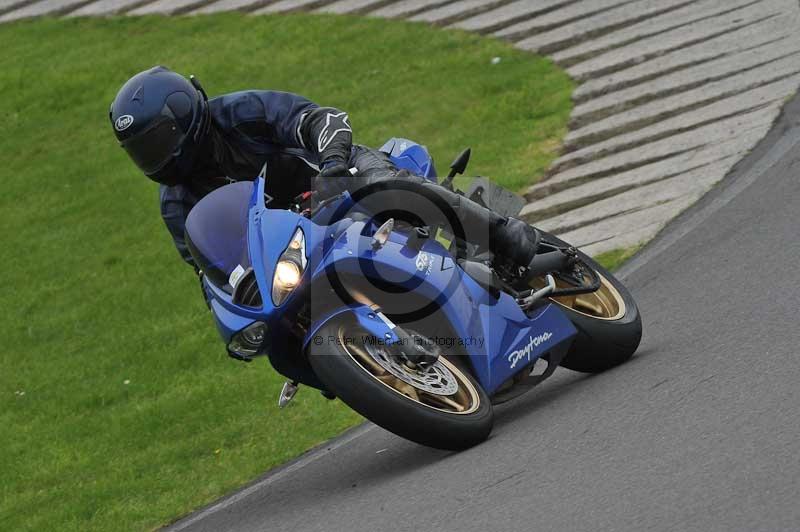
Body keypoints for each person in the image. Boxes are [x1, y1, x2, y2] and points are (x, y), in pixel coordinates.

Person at [109, 66, 539, 273]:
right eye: (143, 151)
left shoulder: (239, 113)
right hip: (297, 243)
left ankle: (500, 230)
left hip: (338, 177)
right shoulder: (177, 205)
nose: (156, 157)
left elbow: (321, 119)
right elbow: (210, 269)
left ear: (185, 116)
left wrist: (332, 166)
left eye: (159, 141)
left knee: (386, 184)